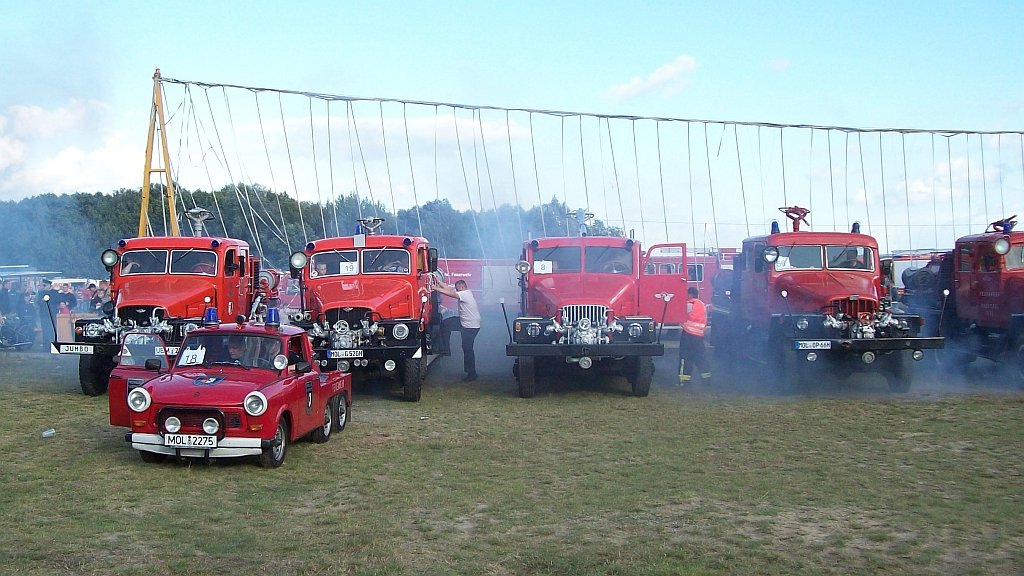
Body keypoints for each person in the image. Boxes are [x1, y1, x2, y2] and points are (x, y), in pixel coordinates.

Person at [434, 279, 481, 382]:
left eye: (457, 289)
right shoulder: (463, 293)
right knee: (446, 324)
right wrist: (438, 281)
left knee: (467, 349)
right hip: (464, 322)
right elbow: (450, 289)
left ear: (462, 287)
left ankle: (472, 373)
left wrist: (435, 288)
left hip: (470, 326)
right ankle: (445, 349)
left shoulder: (466, 294)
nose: (456, 290)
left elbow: (451, 293)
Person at [678, 286, 711, 385]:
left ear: (690, 294)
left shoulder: (689, 304)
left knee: (685, 358)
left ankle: (684, 381)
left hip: (688, 335)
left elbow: (680, 316)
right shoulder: (702, 305)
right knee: (701, 358)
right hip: (699, 336)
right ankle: (707, 380)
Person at [36, 279, 59, 345]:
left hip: (52, 313)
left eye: (45, 285)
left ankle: (53, 344)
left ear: (49, 285)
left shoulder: (54, 292)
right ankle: (46, 345)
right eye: (43, 285)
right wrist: (42, 300)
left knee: (52, 330)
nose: (44, 287)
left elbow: (57, 301)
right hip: (43, 314)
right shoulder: (41, 293)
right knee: (45, 330)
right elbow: (38, 302)